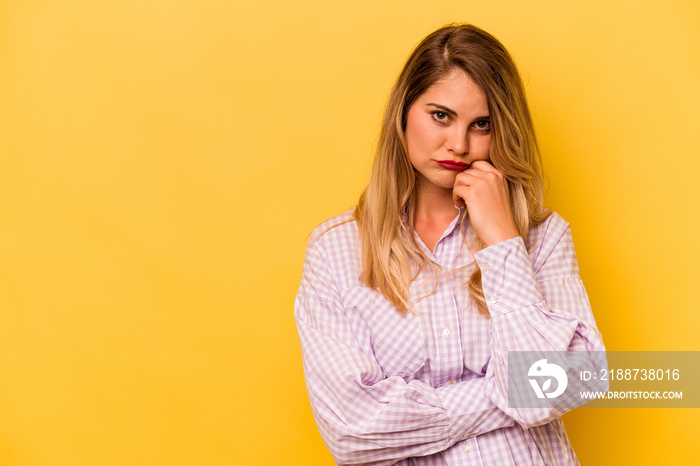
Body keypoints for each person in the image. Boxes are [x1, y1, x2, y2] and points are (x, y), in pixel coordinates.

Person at [294, 23, 605, 465]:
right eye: (441, 115)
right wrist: (502, 395)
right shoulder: (335, 251)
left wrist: (502, 243)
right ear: (403, 114)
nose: (459, 145)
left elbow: (568, 385)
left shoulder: (544, 237)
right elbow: (352, 430)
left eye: (482, 124)